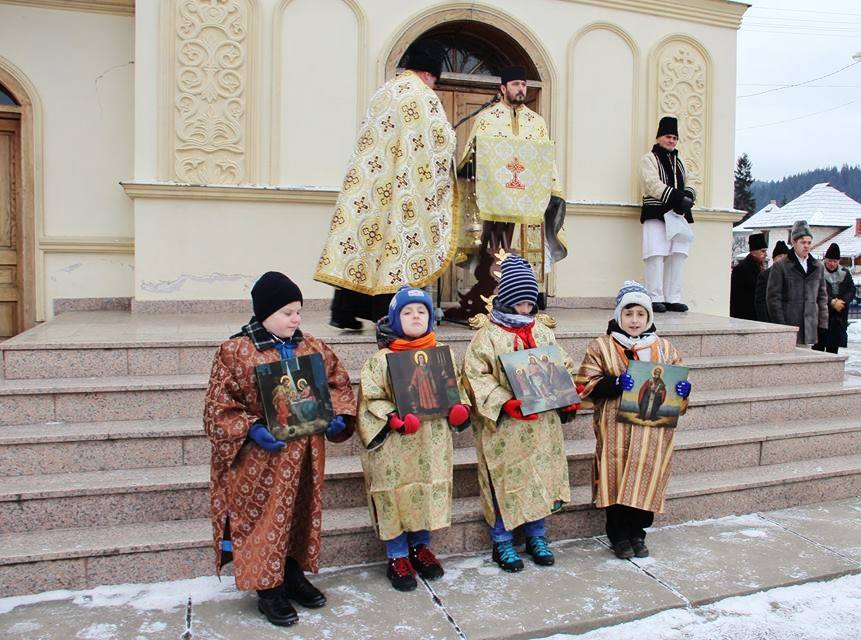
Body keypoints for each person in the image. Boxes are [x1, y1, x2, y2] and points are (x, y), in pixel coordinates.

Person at [203, 272, 356, 627]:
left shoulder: (314, 348)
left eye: (299, 312)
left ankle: (291, 574)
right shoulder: (235, 352)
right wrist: (252, 429)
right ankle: (267, 588)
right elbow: (218, 408)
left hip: (306, 456)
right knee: (264, 518)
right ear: (265, 313)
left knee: (301, 514)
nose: (296, 319)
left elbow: (338, 385)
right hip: (261, 462)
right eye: (288, 312)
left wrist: (337, 415)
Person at [314, 40, 456, 330]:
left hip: (372, 182)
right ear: (430, 74)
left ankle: (343, 311)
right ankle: (387, 316)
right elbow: (440, 142)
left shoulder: (385, 91)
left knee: (363, 242)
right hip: (405, 187)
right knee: (398, 247)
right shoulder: (423, 96)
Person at [462, 255, 578, 572]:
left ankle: (536, 536)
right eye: (520, 303)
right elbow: (474, 377)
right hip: (506, 429)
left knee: (540, 479)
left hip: (542, 425)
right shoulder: (487, 336)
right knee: (505, 482)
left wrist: (566, 393)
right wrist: (504, 402)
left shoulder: (542, 332)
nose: (526, 309)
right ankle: (502, 540)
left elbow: (563, 364)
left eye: (530, 303)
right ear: (508, 300)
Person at [357, 286, 471, 591]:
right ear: (395, 318)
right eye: (407, 312)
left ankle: (420, 548)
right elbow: (370, 398)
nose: (416, 316)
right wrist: (391, 417)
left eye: (422, 311)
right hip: (396, 445)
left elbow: (456, 387)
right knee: (396, 495)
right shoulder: (380, 360)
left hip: (432, 442)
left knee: (425, 491)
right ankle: (397, 555)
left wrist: (459, 409)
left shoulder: (442, 353)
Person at [576, 281, 691, 559]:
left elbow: (676, 393)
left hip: (652, 433)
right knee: (616, 479)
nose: (634, 320)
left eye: (640, 314)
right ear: (619, 316)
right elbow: (584, 385)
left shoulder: (664, 349)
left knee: (647, 478)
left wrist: (682, 392)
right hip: (616, 430)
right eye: (628, 314)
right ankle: (618, 536)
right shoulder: (601, 346)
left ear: (649, 317)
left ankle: (638, 534)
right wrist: (615, 383)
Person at [447, 65, 567, 319]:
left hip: (527, 203)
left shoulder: (537, 122)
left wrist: (554, 189)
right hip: (492, 199)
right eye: (515, 84)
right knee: (492, 249)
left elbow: (545, 158)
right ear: (503, 88)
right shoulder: (487, 118)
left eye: (523, 84)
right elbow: (472, 152)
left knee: (520, 249)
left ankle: (522, 296)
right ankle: (490, 293)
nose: (521, 89)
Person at [639, 116, 696, 313]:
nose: (671, 140)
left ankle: (673, 297)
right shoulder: (649, 159)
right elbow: (651, 184)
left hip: (678, 214)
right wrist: (677, 197)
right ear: (659, 138)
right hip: (656, 212)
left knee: (678, 254)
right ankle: (654, 297)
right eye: (668, 136)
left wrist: (688, 196)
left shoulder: (679, 162)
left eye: (674, 137)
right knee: (655, 254)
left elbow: (690, 182)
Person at [766, 220, 828, 346]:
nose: (806, 246)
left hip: (810, 327)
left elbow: (822, 297)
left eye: (809, 242)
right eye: (803, 242)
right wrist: (781, 325)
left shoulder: (817, 267)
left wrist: (822, 323)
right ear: (794, 242)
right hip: (789, 325)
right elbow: (773, 298)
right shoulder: (781, 266)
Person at [812, 243, 855, 353]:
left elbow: (851, 290)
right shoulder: (817, 271)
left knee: (833, 351)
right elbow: (815, 291)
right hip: (821, 317)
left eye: (835, 261)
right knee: (818, 350)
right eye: (830, 260)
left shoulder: (845, 273)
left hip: (838, 318)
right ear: (825, 259)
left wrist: (843, 302)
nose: (832, 264)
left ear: (839, 261)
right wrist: (832, 301)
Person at [730, 233, 768, 320]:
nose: (765, 254)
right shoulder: (741, 269)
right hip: (744, 316)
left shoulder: (759, 267)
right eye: (762, 251)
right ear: (754, 252)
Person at [755, 241, 790, 322]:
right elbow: (760, 303)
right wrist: (765, 323)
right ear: (774, 259)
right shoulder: (765, 275)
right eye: (780, 256)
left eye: (786, 256)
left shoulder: (792, 275)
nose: (783, 259)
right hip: (771, 320)